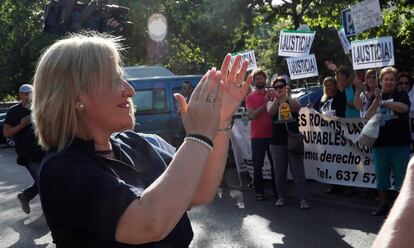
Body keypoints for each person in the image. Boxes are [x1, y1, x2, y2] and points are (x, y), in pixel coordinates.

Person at [31, 33, 252, 247]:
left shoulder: (138, 143)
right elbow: (149, 223)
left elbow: (201, 190)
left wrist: (220, 120)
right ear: (76, 95)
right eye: (113, 79)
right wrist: (198, 136)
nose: (130, 90)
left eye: (123, 78)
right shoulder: (62, 170)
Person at [365, 66, 411, 216]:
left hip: (400, 144)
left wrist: (384, 103)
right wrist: (377, 99)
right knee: (382, 178)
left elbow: (403, 108)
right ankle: (383, 206)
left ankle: (400, 210)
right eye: (386, 79)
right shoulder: (376, 96)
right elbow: (368, 116)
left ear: (395, 81)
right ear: (381, 81)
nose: (389, 82)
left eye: (392, 79)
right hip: (380, 145)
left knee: (401, 179)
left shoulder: (401, 94)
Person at [267, 76, 310, 209]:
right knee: (279, 172)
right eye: (276, 87)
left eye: (281, 86)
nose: (279, 89)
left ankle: (303, 199)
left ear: (286, 87)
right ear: (273, 89)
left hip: (293, 140)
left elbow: (297, 107)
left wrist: (287, 97)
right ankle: (281, 197)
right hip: (277, 142)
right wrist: (277, 98)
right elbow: (271, 112)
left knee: (298, 171)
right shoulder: (271, 102)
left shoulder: (293, 99)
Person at [3, 84, 44, 214]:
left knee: (48, 179)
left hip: (44, 151)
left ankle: (25, 196)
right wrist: (21, 125)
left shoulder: (38, 108)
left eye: (31, 93)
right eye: (25, 93)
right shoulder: (14, 111)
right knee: (43, 182)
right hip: (27, 153)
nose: (29, 96)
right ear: (20, 95)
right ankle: (51, 210)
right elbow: (7, 133)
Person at [245, 68, 276, 201]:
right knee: (258, 166)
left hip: (273, 135)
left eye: (261, 78)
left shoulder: (272, 94)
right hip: (257, 136)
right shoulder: (250, 97)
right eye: (257, 79)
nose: (259, 80)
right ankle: (259, 192)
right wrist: (266, 103)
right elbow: (252, 115)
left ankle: (277, 191)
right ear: (253, 81)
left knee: (276, 165)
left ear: (265, 79)